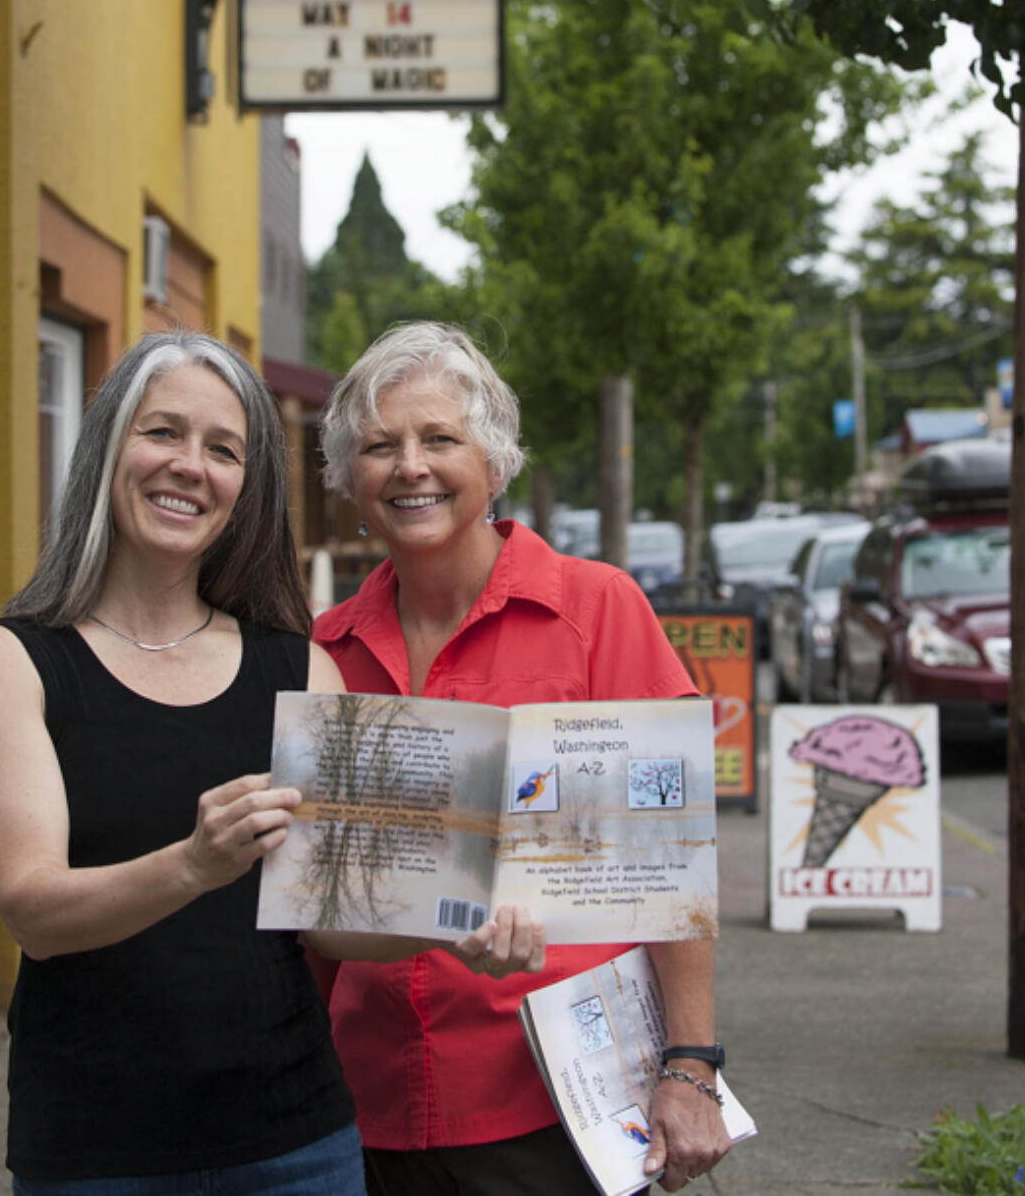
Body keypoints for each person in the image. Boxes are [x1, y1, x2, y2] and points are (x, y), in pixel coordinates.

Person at [0, 330, 537, 1195]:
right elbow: (36, 912)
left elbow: (330, 917)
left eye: (223, 450)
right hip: (98, 1154)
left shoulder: (298, 666)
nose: (191, 466)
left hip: (297, 1145)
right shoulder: (9, 666)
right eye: (163, 433)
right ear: (107, 448)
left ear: (245, 489)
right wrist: (191, 864)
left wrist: (457, 922)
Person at [312, 322, 732, 1196]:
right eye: (380, 446)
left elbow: (669, 867)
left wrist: (691, 1067)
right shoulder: (324, 651)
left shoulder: (597, 609)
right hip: (362, 1104)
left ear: (495, 462)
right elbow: (313, 904)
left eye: (440, 439)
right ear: (351, 478)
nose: (410, 466)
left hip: (552, 1103)